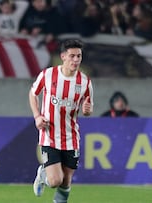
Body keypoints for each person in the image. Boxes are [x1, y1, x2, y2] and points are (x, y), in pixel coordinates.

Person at [29, 39, 93, 203]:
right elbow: (33, 94)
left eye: (79, 56)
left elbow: (88, 107)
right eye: (72, 56)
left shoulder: (84, 82)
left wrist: (88, 110)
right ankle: (43, 174)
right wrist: (37, 116)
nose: (76, 60)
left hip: (71, 137)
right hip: (49, 135)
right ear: (63, 56)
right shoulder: (48, 75)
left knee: (66, 181)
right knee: (55, 181)